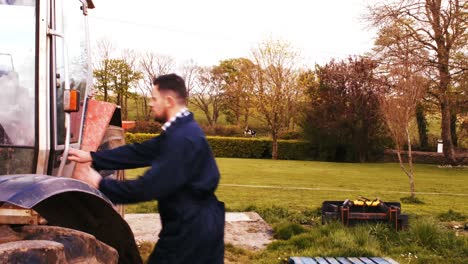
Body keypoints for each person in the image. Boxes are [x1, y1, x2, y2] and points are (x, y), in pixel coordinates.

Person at [68, 73, 225, 264]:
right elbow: (140, 152)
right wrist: (93, 157)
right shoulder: (181, 131)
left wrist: (99, 183)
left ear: (168, 101)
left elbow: (149, 186)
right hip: (194, 225)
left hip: (191, 231)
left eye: (153, 98)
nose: (150, 104)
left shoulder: (182, 139)